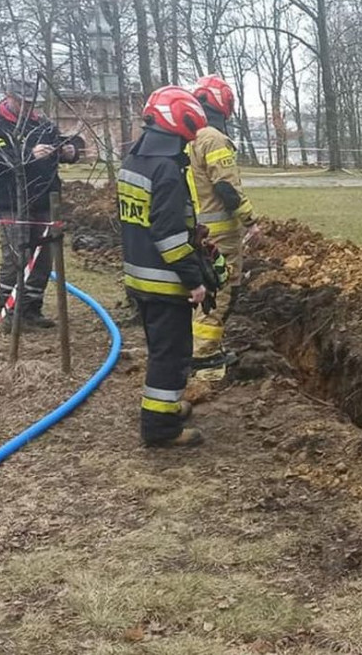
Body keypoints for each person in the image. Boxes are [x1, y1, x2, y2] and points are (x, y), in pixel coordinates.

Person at [119, 86, 218, 448]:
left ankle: (167, 408)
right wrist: (195, 280)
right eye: (184, 139)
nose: (185, 147)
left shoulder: (134, 161)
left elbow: (144, 220)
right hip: (165, 283)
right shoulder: (166, 169)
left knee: (161, 349)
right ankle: (161, 429)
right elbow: (168, 234)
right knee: (171, 355)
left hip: (140, 276)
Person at [0, 79, 78, 330]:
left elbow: (66, 142)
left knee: (43, 258)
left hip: (44, 200)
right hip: (11, 201)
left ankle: (32, 310)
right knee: (16, 257)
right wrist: (29, 155)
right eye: (22, 102)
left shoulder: (41, 124)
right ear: (9, 97)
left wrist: (70, 150)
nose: (27, 108)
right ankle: (8, 311)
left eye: (31, 103)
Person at [187, 75, 261, 381]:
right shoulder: (214, 139)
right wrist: (251, 221)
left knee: (200, 294)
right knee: (219, 293)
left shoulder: (188, 137)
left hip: (196, 228)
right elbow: (227, 188)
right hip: (219, 234)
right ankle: (205, 363)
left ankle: (195, 349)